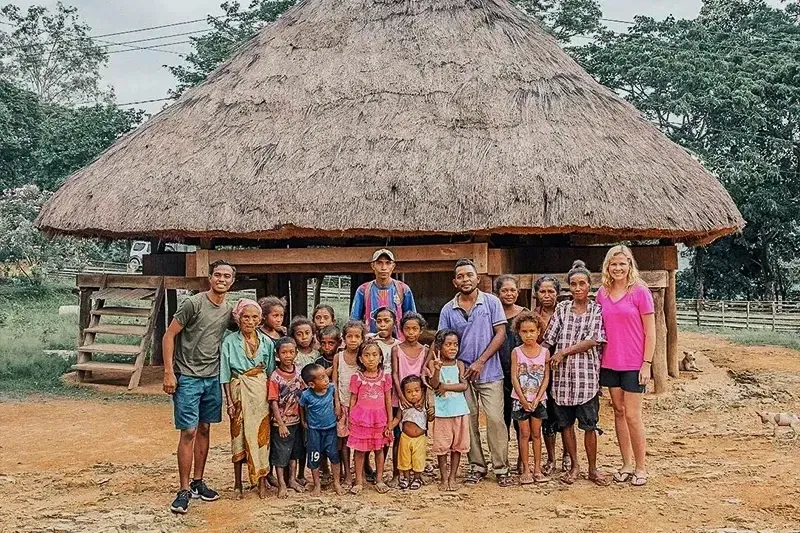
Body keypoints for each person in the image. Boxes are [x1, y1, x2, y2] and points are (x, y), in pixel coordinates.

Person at [162, 260, 235, 514]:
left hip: (212, 376)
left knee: (205, 428)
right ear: (210, 278)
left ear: (232, 281)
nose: (222, 279)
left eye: (227, 276)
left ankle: (198, 482)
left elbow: (248, 327)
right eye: (218, 275)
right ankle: (183, 490)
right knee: (189, 431)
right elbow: (169, 335)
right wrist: (169, 372)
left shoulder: (229, 311)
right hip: (188, 376)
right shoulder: (193, 303)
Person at [438, 258, 510, 487]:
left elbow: (500, 334)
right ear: (454, 281)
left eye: (469, 275)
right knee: (467, 420)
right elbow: (441, 340)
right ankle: (477, 466)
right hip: (461, 375)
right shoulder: (448, 309)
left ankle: (501, 467)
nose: (465, 279)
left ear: (477, 278)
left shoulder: (491, 303)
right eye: (460, 276)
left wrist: (480, 361)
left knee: (496, 420)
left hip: (490, 371)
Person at [541, 260, 609, 486]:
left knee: (589, 426)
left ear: (590, 286)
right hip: (561, 378)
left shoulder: (597, 311)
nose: (578, 288)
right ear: (568, 287)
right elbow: (549, 339)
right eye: (573, 284)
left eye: (582, 283)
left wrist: (563, 352)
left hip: (586, 378)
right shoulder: (561, 309)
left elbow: (591, 340)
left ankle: (592, 468)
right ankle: (575, 466)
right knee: (566, 424)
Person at [595, 245, 655, 488]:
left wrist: (647, 363)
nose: (618, 268)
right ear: (607, 266)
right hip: (610, 361)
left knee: (632, 415)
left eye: (622, 263)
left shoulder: (640, 292)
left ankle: (641, 467)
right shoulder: (602, 293)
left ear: (630, 265)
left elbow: (650, 333)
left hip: (634, 363)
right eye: (613, 264)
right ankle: (626, 464)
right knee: (618, 412)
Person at [219, 298, 275, 500]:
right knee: (239, 435)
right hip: (239, 390)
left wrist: (271, 399)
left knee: (261, 437)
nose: (249, 321)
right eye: (245, 317)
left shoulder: (267, 342)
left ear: (260, 320)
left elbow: (270, 373)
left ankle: (261, 481)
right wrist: (229, 402)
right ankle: (237, 483)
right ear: (238, 318)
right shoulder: (229, 341)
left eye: (254, 317)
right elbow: (225, 373)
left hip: (260, 393)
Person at [533, 275, 569, 476]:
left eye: (551, 291)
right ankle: (551, 457)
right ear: (536, 294)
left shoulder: (566, 313)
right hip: (540, 371)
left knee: (563, 413)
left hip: (564, 369)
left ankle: (566, 455)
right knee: (546, 416)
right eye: (542, 291)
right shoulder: (533, 316)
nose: (547, 295)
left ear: (558, 293)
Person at [347, 339, 393, 494]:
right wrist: (350, 419)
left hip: (380, 419)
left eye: (375, 355)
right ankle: (358, 481)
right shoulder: (357, 377)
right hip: (361, 419)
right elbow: (353, 399)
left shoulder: (385, 377)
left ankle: (379, 479)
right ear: (360, 358)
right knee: (359, 451)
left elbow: (388, 399)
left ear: (381, 358)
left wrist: (390, 422)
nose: (371, 358)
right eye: (367, 355)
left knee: (379, 449)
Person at [509, 311, 550, 485]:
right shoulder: (516, 352)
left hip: (539, 400)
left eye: (532, 331)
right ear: (519, 332)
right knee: (524, 435)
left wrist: (537, 398)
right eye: (525, 332)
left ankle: (538, 468)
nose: (529, 335)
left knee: (537, 434)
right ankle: (525, 468)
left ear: (539, 331)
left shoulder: (545, 352)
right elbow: (514, 377)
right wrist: (524, 400)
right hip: (520, 400)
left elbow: (546, 377)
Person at [389, 311, 428, 487]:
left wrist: (424, 397)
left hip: (419, 398)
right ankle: (399, 473)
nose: (411, 332)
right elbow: (395, 373)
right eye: (407, 328)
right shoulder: (396, 349)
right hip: (401, 398)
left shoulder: (425, 350)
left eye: (415, 329)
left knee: (419, 435)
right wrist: (400, 395)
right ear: (401, 329)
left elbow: (425, 375)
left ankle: (417, 472)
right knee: (399, 437)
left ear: (421, 330)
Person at [428, 329, 470, 492]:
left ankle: (453, 477)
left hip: (459, 410)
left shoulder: (459, 364)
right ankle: (444, 478)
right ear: (439, 346)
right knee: (442, 446)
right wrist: (437, 369)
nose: (452, 348)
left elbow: (464, 385)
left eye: (455, 345)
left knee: (457, 446)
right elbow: (433, 384)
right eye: (448, 345)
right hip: (443, 412)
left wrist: (446, 387)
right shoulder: (434, 363)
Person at [494, 275, 528, 471]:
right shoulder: (493, 313)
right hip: (498, 372)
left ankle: (522, 460)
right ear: (498, 293)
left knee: (521, 420)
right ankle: (503, 458)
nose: (509, 294)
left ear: (518, 292)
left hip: (523, 375)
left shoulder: (525, 315)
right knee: (502, 418)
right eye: (504, 290)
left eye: (512, 290)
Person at [268, 337, 306, 498]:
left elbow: (304, 394)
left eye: (291, 352)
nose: (288, 355)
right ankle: (281, 484)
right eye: (284, 352)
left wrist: (304, 419)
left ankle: (292, 479)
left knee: (294, 453)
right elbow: (273, 402)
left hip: (297, 421)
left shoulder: (299, 372)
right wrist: (281, 423)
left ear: (296, 353)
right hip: (281, 423)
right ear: (277, 355)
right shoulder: (275, 377)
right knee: (280, 454)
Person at [350, 248, 416, 339]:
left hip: (397, 342)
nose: (384, 267)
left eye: (388, 263)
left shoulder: (403, 289)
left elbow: (412, 320)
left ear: (393, 266)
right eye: (379, 263)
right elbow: (354, 321)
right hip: (371, 344)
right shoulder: (363, 290)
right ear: (373, 266)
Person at [299, 363, 344, 496]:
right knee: (314, 457)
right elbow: (301, 407)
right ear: (312, 384)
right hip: (314, 431)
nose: (326, 380)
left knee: (334, 456)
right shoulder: (306, 395)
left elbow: (336, 396)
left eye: (326, 376)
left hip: (330, 429)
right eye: (322, 378)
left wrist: (337, 407)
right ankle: (317, 485)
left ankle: (336, 482)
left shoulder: (330, 388)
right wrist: (303, 421)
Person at [332, 320, 365, 487]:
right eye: (349, 336)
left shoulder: (364, 357)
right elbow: (335, 382)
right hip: (343, 405)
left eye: (357, 336)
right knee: (344, 442)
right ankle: (347, 473)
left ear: (362, 338)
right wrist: (337, 403)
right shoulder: (338, 357)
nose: (353, 340)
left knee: (360, 441)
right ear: (343, 338)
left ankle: (361, 472)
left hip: (361, 408)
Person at [388, 375, 433, 490]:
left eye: (416, 391)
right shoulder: (403, 406)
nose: (413, 394)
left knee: (418, 458)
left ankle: (417, 478)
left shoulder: (424, 405)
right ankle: (406, 477)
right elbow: (398, 419)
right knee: (404, 458)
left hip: (420, 438)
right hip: (405, 437)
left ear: (422, 391)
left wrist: (432, 413)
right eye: (409, 392)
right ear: (403, 393)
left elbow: (429, 419)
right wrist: (390, 427)